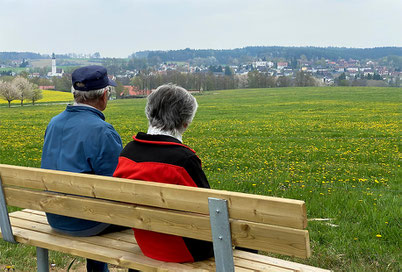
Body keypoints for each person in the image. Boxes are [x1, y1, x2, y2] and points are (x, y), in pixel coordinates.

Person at [113, 84, 214, 263]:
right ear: (185, 122)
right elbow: (208, 210)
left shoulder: (128, 153)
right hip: (184, 249)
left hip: (146, 242)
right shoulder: (184, 160)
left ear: (149, 113)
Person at [41, 65, 123, 272]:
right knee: (144, 219)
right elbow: (117, 188)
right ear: (104, 96)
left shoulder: (54, 123)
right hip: (85, 222)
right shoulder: (103, 131)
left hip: (55, 214)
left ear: (75, 94)